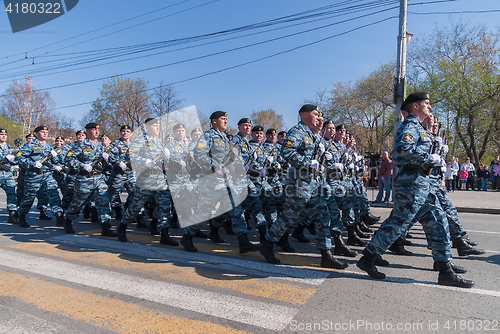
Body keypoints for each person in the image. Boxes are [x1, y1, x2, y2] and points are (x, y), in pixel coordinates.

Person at [356, 92, 473, 288]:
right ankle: (367, 258)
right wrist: (430, 159)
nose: (430, 107)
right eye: (426, 103)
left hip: (422, 182)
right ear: (415, 106)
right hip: (411, 182)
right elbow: (402, 152)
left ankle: (445, 268)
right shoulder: (410, 125)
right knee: (398, 223)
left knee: (438, 220)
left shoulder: (419, 127)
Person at [260, 104, 347, 269]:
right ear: (305, 115)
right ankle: (267, 244)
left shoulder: (312, 135)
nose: (318, 117)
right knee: (288, 218)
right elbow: (286, 151)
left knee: (323, 216)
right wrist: (309, 163)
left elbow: (316, 158)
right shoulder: (297, 131)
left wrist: (323, 159)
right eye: (315, 114)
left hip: (314, 184)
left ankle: (326, 254)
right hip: (298, 185)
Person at [63, 123, 117, 237]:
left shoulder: (101, 146)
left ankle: (105, 226)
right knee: (78, 202)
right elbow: (68, 159)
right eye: (93, 130)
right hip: (84, 179)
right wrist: (82, 165)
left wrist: (107, 159)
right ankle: (68, 220)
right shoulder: (81, 144)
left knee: (104, 202)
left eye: (97, 130)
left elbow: (109, 162)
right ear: (87, 131)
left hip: (99, 178)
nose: (97, 132)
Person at [16, 126, 65, 228]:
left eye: (46, 132)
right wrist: (32, 164)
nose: (45, 133)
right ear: (37, 133)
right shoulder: (30, 144)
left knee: (54, 193)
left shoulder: (49, 146)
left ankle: (59, 215)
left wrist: (55, 161)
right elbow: (19, 158)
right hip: (33, 175)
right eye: (42, 132)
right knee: (29, 197)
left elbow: (52, 162)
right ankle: (22, 216)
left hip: (47, 174)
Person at [0, 128, 20, 225]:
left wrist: (13, 160)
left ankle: (12, 215)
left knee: (12, 194)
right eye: (1, 134)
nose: (3, 136)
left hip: (7, 174)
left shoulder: (10, 148)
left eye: (5, 135)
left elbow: (15, 161)